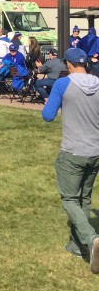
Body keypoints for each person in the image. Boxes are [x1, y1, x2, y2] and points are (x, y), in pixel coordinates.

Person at [42, 48, 99, 269]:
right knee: (84, 198)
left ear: (68, 64)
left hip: (73, 150)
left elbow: (47, 116)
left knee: (69, 199)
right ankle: (78, 247)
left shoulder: (62, 84)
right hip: (95, 151)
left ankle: (91, 238)